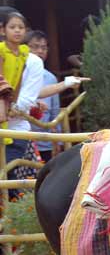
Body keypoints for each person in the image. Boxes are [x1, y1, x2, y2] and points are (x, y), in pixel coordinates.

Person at [1, 9, 44, 185]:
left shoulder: (26, 56)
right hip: (4, 108)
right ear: (3, 30)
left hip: (13, 118)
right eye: (13, 27)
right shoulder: (2, 52)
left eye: (21, 27)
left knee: (9, 170)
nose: (17, 31)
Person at [26, 30, 60, 162]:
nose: (40, 51)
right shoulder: (18, 74)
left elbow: (55, 113)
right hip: (22, 137)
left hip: (45, 142)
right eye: (35, 47)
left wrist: (58, 141)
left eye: (43, 47)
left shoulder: (51, 78)